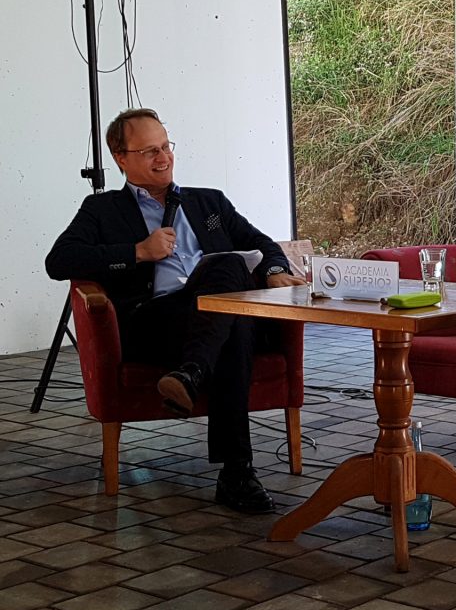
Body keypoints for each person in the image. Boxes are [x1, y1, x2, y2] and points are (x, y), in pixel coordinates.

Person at [45, 108, 305, 514]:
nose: (162, 157)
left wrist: (273, 271)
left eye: (166, 146)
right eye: (149, 150)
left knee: (230, 281)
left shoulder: (208, 202)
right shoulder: (103, 210)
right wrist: (137, 252)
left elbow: (264, 244)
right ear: (120, 157)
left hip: (214, 319)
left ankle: (194, 376)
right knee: (231, 310)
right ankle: (236, 472)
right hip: (157, 320)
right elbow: (58, 261)